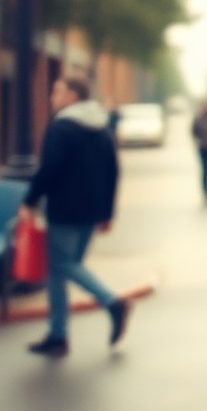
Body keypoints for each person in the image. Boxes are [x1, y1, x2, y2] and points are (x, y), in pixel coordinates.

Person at [21, 75, 129, 358]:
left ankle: (112, 302)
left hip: (64, 210)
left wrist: (29, 201)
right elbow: (113, 172)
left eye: (57, 92)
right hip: (91, 212)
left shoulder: (61, 127)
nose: (52, 98)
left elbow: (49, 169)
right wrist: (107, 213)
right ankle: (57, 336)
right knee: (62, 271)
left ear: (73, 96)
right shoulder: (102, 128)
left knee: (64, 265)